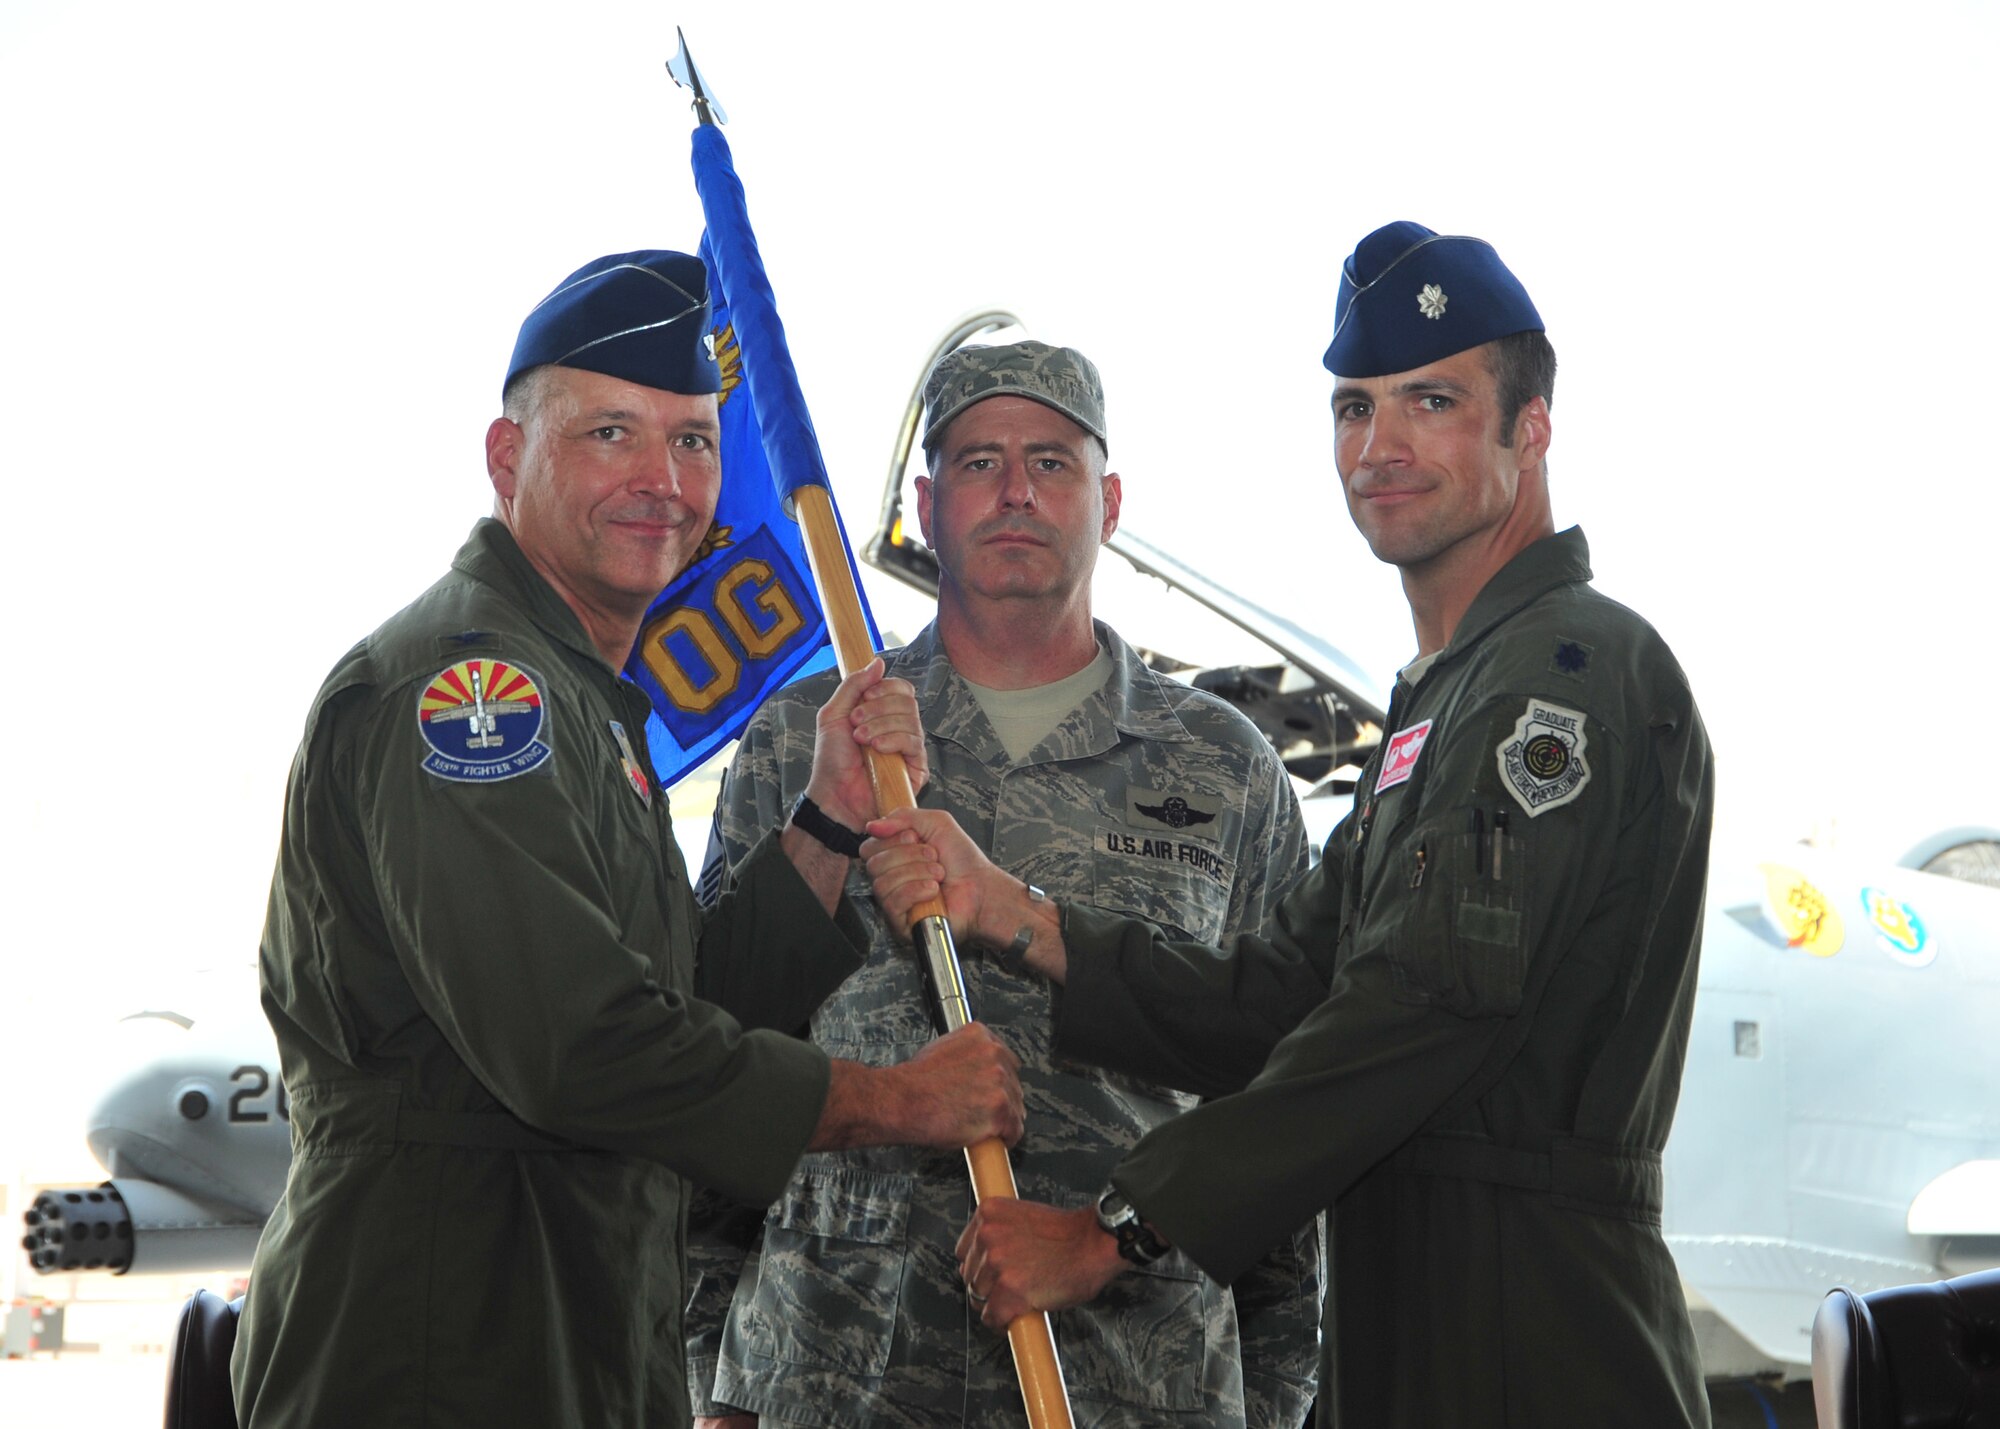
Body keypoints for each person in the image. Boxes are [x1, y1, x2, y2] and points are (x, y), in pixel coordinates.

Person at [876, 224, 1718, 1427]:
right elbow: (1279, 1000)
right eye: (1352, 408)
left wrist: (1115, 1231)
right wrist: (1013, 914)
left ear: (1527, 430)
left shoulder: (1564, 673)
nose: (1378, 447)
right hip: (1411, 1319)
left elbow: (1423, 1004)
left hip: (1531, 1329)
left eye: (1429, 401)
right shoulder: (1442, 698)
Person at [229, 250, 1025, 1429]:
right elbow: (581, 1046)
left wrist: (824, 821)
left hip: (564, 1329)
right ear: (508, 459)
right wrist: (899, 1102)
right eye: (611, 433)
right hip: (439, 1338)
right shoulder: (472, 692)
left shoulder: (580, 699)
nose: (665, 479)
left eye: (694, 440)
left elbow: (676, 996)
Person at [687, 340, 1324, 1428]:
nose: (1017, 491)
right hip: (833, 1375)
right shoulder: (811, 740)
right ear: (927, 507)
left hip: (1135, 1380)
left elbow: (1280, 1097)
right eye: (979, 463)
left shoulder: (1225, 769)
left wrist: (1270, 1395)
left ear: (1109, 501)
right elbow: (714, 1055)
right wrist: (710, 1369)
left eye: (1052, 462)